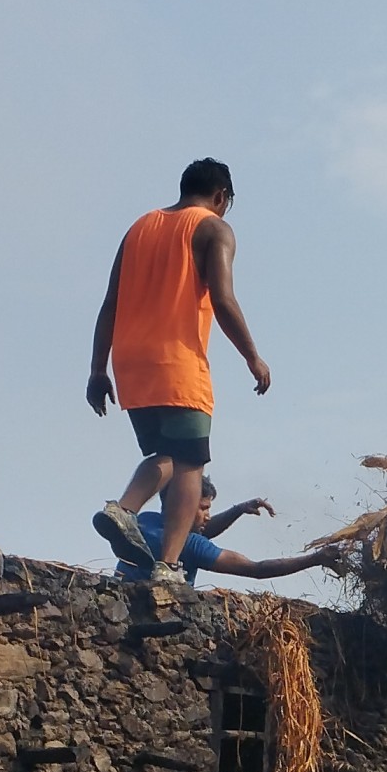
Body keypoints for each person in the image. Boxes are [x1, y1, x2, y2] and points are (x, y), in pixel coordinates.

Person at [87, 158, 271, 589]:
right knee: (191, 463)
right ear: (221, 197)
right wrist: (252, 356)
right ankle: (167, 564)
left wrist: (98, 369)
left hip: (130, 361)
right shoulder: (213, 228)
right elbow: (223, 299)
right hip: (178, 360)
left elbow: (110, 302)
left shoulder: (139, 228)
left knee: (166, 457)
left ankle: (123, 509)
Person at [110, 484, 337, 588]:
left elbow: (198, 530)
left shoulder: (145, 521)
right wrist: (315, 559)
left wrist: (237, 510)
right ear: (182, 505)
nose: (208, 516)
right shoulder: (190, 545)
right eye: (203, 508)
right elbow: (256, 569)